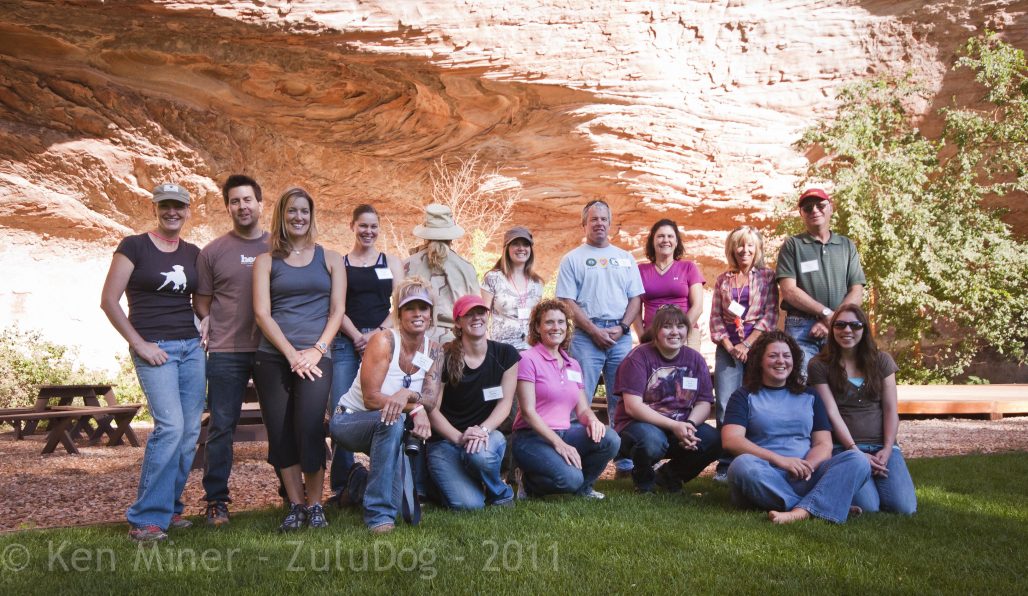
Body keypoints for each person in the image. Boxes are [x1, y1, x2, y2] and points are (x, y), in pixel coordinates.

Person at [100, 182, 204, 542]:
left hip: (191, 349)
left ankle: (169, 508)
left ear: (188, 210)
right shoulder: (134, 246)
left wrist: (204, 326)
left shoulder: (193, 252)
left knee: (190, 433)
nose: (172, 212)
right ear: (155, 208)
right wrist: (139, 344)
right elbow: (110, 301)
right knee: (170, 428)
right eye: (165, 206)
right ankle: (145, 519)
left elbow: (198, 302)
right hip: (155, 347)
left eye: (178, 206)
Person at [252, 188, 346, 532]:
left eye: (304, 211)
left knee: (309, 428)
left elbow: (337, 311)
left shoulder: (331, 258)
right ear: (281, 215)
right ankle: (295, 505)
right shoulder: (266, 261)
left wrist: (316, 350)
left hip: (317, 356)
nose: (298, 217)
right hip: (273, 358)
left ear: (312, 215)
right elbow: (262, 312)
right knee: (280, 434)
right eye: (292, 211)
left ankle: (316, 504)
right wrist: (291, 354)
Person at [329, 277, 443, 534]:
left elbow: (431, 398)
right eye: (410, 308)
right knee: (393, 421)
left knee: (406, 506)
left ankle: (356, 481)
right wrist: (414, 408)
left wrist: (410, 397)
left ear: (431, 313)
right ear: (398, 313)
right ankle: (378, 516)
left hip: (390, 426)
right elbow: (371, 399)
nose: (417, 314)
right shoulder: (384, 341)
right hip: (350, 420)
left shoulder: (434, 350)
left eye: (423, 308)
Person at [722, 330, 871, 524]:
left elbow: (823, 444)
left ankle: (801, 510)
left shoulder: (810, 396)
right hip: (764, 476)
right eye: (773, 355)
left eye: (786, 355)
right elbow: (731, 440)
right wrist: (782, 461)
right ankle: (820, 504)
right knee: (741, 466)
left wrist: (807, 467)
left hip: (805, 477)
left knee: (857, 459)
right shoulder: (743, 396)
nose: (781, 361)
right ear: (759, 360)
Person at [194, 174, 269, 527]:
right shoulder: (213, 252)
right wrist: (210, 325)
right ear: (228, 207)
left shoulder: (278, 247)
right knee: (222, 426)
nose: (242, 206)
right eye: (235, 201)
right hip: (226, 351)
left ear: (260, 204)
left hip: (271, 350)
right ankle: (216, 501)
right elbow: (203, 303)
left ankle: (291, 496)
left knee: (281, 424)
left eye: (247, 200)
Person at [556, 200, 643, 476]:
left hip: (620, 336)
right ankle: (574, 455)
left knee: (623, 401)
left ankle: (623, 460)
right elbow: (567, 301)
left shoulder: (625, 258)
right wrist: (594, 331)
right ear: (584, 224)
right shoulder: (573, 258)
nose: (599, 223)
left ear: (610, 222)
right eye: (593, 219)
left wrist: (622, 327)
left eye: (604, 219)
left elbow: (636, 297)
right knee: (578, 396)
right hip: (585, 336)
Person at [327, 204, 404, 506]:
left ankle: (385, 476)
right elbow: (336, 306)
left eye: (373, 226)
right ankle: (341, 483)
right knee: (342, 409)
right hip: (348, 342)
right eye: (363, 226)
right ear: (352, 226)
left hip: (384, 340)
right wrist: (357, 336)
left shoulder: (391, 262)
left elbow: (400, 303)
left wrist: (374, 336)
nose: (368, 231)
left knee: (385, 402)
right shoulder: (341, 264)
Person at [808, 305, 917, 515]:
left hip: (883, 447)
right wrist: (855, 451)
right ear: (832, 330)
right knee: (869, 507)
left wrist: (886, 448)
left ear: (864, 329)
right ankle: (840, 480)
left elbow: (890, 408)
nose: (847, 330)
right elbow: (832, 412)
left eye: (854, 325)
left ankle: (852, 484)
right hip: (846, 450)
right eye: (840, 325)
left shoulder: (882, 361)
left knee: (904, 508)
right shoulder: (819, 365)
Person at [511, 299, 621, 498]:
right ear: (537, 327)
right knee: (569, 479)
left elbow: (582, 409)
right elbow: (527, 412)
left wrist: (594, 421)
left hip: (565, 432)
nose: (556, 327)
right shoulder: (528, 359)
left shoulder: (573, 364)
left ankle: (583, 489)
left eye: (561, 322)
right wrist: (560, 445)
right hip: (532, 437)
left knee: (610, 438)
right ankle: (529, 483)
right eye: (549, 322)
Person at [613, 305, 720, 493]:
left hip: (680, 424)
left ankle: (669, 476)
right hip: (638, 426)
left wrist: (689, 425)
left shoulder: (695, 359)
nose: (675, 332)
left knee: (713, 439)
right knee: (652, 440)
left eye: (680, 326)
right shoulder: (638, 357)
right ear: (655, 331)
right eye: (667, 326)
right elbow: (632, 407)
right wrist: (674, 426)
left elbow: (704, 402)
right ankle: (643, 481)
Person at [426, 295, 519, 509]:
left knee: (480, 456)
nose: (476, 317)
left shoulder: (506, 354)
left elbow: (505, 405)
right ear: (458, 322)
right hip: (446, 441)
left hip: (486, 437)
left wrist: (481, 431)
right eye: (469, 314)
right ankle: (467, 481)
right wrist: (460, 437)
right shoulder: (443, 355)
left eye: (481, 312)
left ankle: (500, 493)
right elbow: (433, 410)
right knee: (469, 505)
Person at [709, 226, 779, 480]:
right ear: (732, 249)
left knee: (758, 403)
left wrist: (748, 344)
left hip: (758, 347)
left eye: (750, 245)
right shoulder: (723, 280)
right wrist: (730, 346)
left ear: (757, 249)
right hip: (728, 349)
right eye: (740, 245)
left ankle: (759, 458)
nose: (744, 250)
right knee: (726, 404)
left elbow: (770, 315)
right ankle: (726, 464)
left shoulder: (768, 277)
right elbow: (715, 317)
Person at [776, 188, 865, 376]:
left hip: (842, 327)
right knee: (802, 382)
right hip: (801, 328)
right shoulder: (793, 245)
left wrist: (831, 322)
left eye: (820, 205)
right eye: (807, 208)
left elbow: (857, 290)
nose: (815, 210)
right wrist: (826, 314)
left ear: (830, 208)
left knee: (843, 382)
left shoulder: (846, 246)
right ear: (801, 214)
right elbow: (789, 291)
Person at [404, 204, 479, 343]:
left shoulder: (408, 265)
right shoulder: (466, 268)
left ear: (425, 235)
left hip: (414, 340)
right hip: (455, 342)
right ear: (451, 237)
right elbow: (475, 311)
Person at [634, 219, 705, 351]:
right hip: (652, 336)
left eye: (670, 236)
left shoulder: (689, 267)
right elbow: (635, 310)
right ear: (652, 242)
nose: (665, 240)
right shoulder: (640, 270)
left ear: (676, 242)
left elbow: (698, 306)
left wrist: (679, 333)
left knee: (687, 371)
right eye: (660, 236)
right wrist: (642, 336)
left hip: (686, 335)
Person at [481, 226, 544, 352]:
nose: (521, 248)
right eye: (515, 244)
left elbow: (539, 319)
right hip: (500, 350)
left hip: (530, 350)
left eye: (525, 244)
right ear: (507, 248)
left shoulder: (537, 283)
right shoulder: (493, 278)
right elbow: (483, 315)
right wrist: (488, 348)